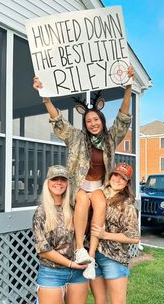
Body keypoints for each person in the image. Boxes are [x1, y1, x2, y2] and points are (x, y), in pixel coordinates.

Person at [33, 65, 134, 280]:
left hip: (99, 186)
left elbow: (123, 117)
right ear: (85, 124)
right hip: (80, 185)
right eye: (88, 121)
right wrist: (45, 98)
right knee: (83, 201)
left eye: (96, 119)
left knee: (98, 203)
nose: (93, 123)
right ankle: (80, 249)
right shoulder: (77, 137)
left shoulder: (110, 138)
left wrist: (127, 87)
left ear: (101, 120)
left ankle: (91, 257)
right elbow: (58, 122)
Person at [31, 165, 88, 304]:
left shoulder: (73, 208)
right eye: (55, 179)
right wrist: (71, 264)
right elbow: (44, 250)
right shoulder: (41, 212)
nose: (59, 183)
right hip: (51, 273)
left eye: (63, 180)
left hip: (78, 274)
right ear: (47, 183)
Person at [86, 162, 140, 304]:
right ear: (111, 175)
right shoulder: (99, 195)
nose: (118, 179)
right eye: (116, 175)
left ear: (127, 183)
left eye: (123, 178)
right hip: (94, 258)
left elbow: (134, 237)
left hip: (115, 259)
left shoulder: (126, 204)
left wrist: (105, 235)